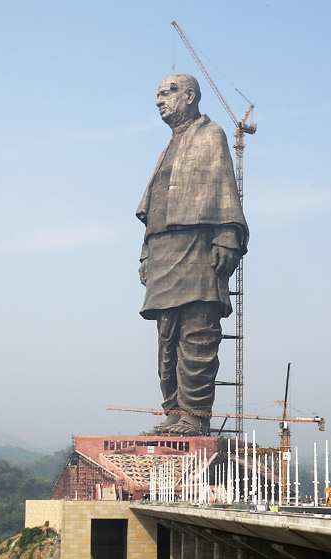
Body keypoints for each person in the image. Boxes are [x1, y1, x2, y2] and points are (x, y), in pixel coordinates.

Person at [135, 74, 249, 436]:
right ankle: (174, 412)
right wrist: (145, 256)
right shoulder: (168, 147)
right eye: (157, 94)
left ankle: (195, 416)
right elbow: (153, 208)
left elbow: (225, 188)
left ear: (190, 95)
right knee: (166, 339)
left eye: (167, 92)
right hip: (163, 251)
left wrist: (228, 234)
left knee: (198, 334)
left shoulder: (210, 135)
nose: (159, 100)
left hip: (198, 248)